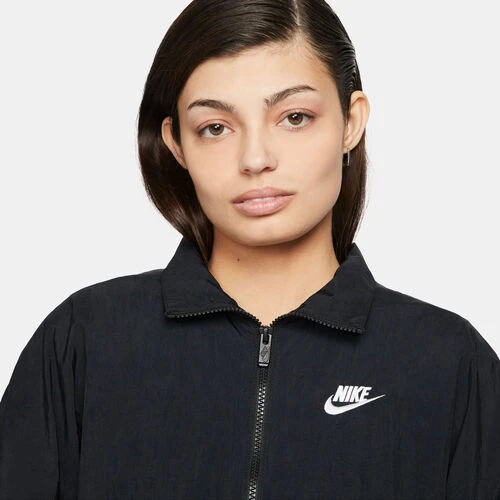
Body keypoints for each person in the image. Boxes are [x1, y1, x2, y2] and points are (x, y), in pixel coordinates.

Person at [1, 0, 499, 498]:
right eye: (215, 127)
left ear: (351, 122)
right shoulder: (83, 342)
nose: (255, 159)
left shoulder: (450, 363)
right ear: (176, 144)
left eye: (294, 117)